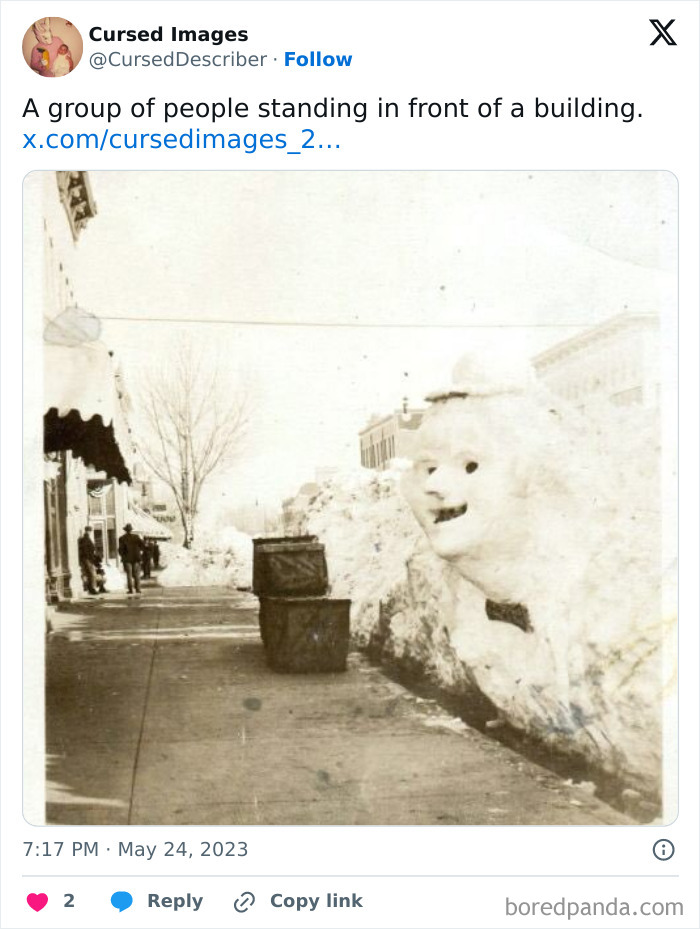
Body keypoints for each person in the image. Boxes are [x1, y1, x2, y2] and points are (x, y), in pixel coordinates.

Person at [118, 523, 144, 595]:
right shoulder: (136, 537)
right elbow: (142, 545)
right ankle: (138, 589)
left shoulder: (122, 538)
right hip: (136, 558)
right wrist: (139, 551)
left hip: (127, 559)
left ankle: (130, 590)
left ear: (125, 530)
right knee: (136, 574)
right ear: (131, 530)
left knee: (129, 575)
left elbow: (120, 549)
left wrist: (122, 555)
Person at [78, 525, 98, 595]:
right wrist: (89, 557)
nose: (89, 532)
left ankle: (91, 588)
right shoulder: (85, 539)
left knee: (90, 574)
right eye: (89, 531)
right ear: (87, 531)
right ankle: (92, 589)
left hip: (88, 559)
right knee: (91, 574)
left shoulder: (86, 538)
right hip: (87, 559)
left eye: (89, 531)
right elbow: (85, 550)